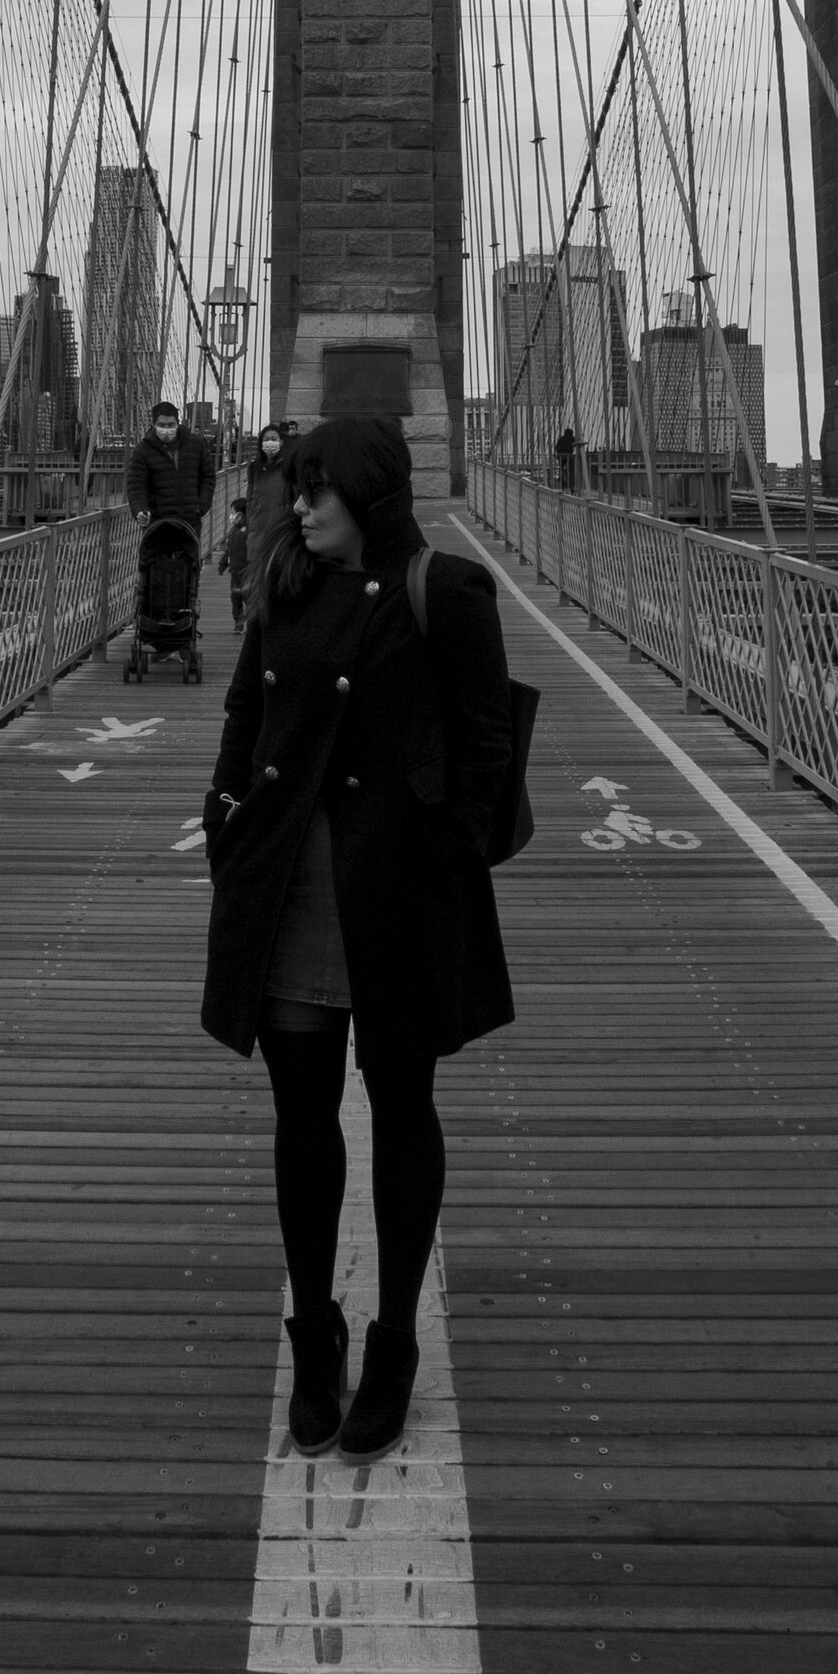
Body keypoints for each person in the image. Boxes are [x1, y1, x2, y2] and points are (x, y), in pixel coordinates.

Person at [200, 414, 514, 1460]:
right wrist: (226, 816)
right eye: (295, 487)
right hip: (290, 885)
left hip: (397, 893)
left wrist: (449, 857)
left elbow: (482, 749)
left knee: (401, 1105)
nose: (298, 505)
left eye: (316, 489)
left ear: (368, 495)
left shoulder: (448, 592)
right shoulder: (282, 583)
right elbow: (246, 711)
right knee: (301, 1118)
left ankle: (390, 1347)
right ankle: (314, 1335)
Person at [127, 397, 213, 530]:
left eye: (171, 425)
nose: (167, 429)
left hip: (189, 521)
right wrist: (140, 510)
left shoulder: (197, 445)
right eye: (162, 425)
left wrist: (201, 506)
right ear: (154, 424)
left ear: (177, 423)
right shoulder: (142, 450)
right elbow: (136, 486)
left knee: (189, 551)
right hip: (156, 523)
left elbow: (208, 476)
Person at [242, 418, 294, 587]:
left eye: (273, 439)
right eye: (266, 439)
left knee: (277, 575)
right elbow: (250, 497)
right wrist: (249, 518)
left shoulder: (288, 468)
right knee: (255, 578)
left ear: (281, 442)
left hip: (279, 527)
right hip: (257, 528)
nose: (270, 443)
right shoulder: (254, 468)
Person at [221, 493, 253, 628]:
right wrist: (223, 563)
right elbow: (229, 550)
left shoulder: (250, 532)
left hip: (247, 572)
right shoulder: (233, 532)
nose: (231, 516)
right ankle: (238, 622)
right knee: (235, 599)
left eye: (233, 513)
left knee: (248, 597)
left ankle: (253, 622)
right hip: (235, 572)